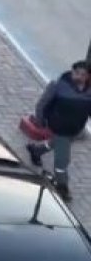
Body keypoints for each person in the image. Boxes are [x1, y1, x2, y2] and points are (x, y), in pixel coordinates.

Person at [25, 60, 91, 201]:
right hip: (59, 126)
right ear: (72, 71)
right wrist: (41, 121)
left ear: (87, 76)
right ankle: (62, 187)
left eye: (82, 74)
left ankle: (36, 150)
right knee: (62, 160)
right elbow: (42, 104)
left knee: (65, 141)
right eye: (76, 73)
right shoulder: (58, 85)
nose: (78, 76)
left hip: (76, 128)